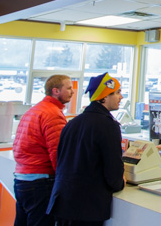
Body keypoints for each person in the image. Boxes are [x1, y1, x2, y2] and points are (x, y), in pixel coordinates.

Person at [47, 73, 125, 226]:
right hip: (87, 207)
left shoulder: (72, 123)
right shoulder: (108, 126)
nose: (121, 97)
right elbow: (113, 169)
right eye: (117, 92)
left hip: (63, 201)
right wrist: (120, 183)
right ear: (103, 97)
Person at [13, 75, 74, 226]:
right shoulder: (53, 114)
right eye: (69, 88)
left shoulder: (35, 110)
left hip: (22, 179)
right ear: (56, 91)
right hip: (40, 182)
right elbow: (58, 153)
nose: (72, 92)